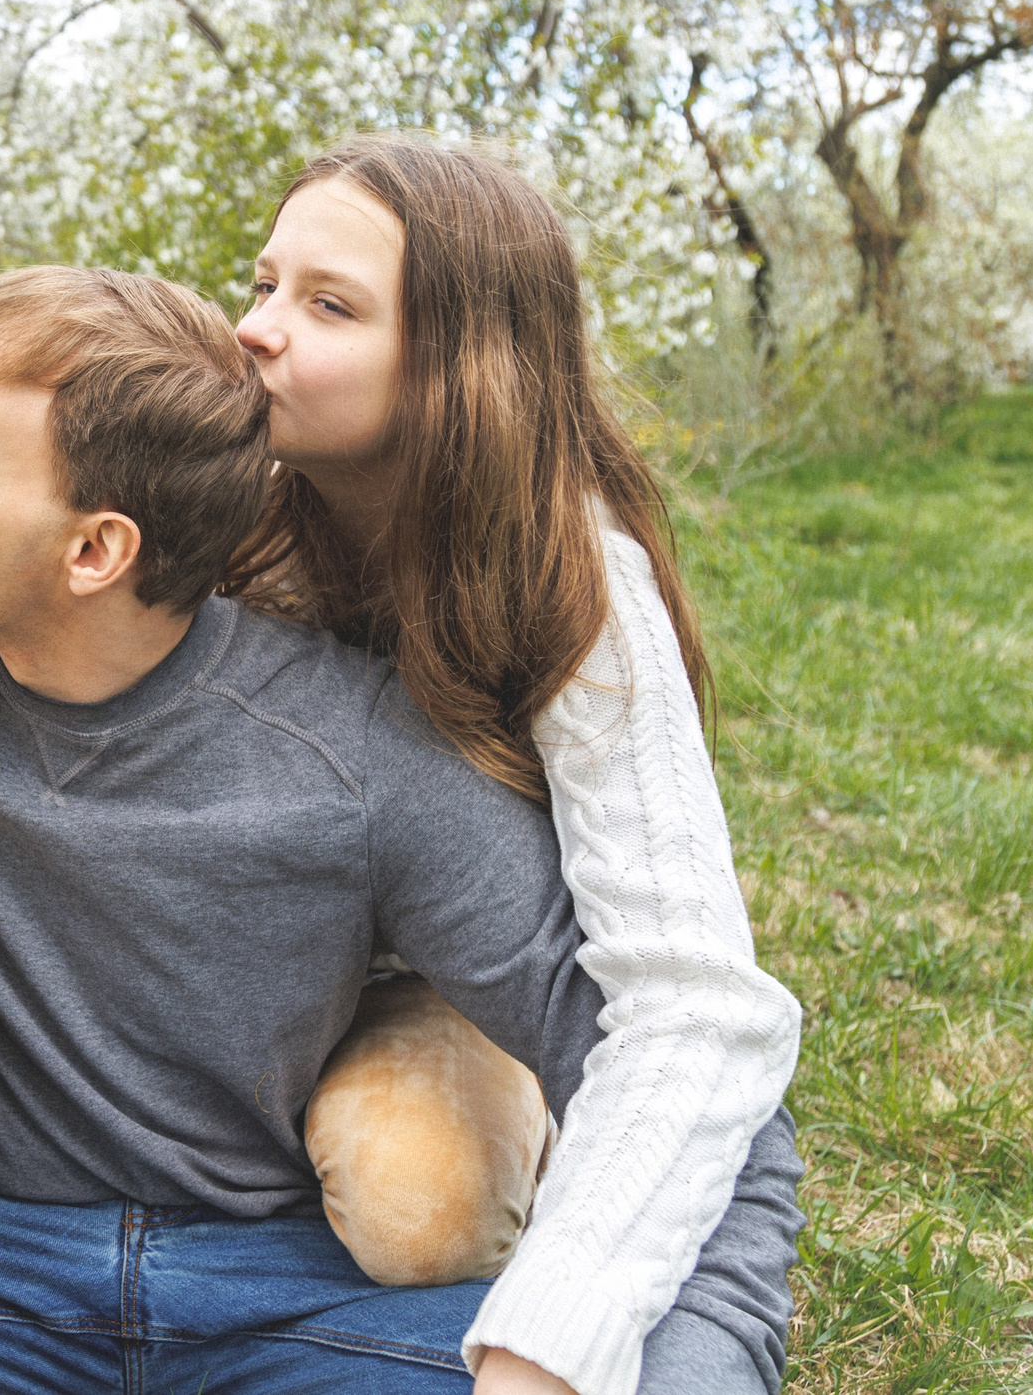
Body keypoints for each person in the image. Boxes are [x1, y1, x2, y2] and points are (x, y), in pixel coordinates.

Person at [0, 266, 803, 1395]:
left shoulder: (362, 757)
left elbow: (685, 1080)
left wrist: (693, 1363)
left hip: (279, 1290)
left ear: (94, 549)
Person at [226, 131, 804, 1390]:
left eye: (327, 305)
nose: (256, 329)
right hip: (259, 971)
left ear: (453, 367)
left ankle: (543, 1144)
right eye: (261, 282)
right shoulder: (234, 512)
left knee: (414, 1201)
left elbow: (689, 990)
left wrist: (559, 1337)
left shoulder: (572, 580)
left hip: (459, 973)